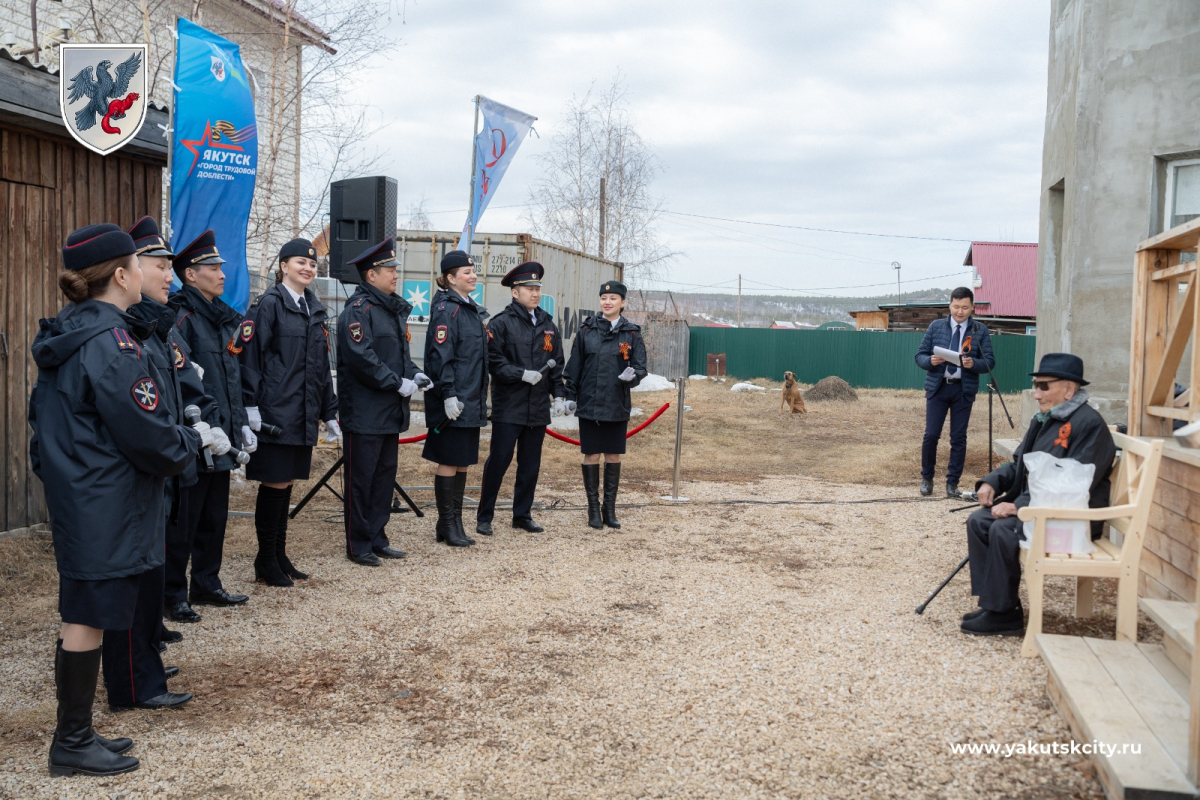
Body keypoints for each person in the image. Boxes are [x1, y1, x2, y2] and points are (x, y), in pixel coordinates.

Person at [30, 224, 205, 776]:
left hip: (85, 493)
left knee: (88, 615)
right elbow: (148, 434)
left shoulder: (74, 333)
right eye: (139, 263)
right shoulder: (111, 344)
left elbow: (44, 431)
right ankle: (72, 741)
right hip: (104, 499)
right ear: (122, 275)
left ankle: (77, 733)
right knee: (87, 618)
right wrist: (192, 441)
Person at [100, 217, 220, 713]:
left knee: (151, 577)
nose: (168, 274)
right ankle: (136, 680)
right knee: (136, 582)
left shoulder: (153, 325)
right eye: (158, 265)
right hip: (142, 470)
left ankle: (145, 661)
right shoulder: (129, 330)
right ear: (127, 272)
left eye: (171, 265)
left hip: (164, 467)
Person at [961, 353, 1116, 636]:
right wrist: (992, 482)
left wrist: (1018, 506)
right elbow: (1019, 463)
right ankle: (998, 606)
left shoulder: (1088, 424)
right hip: (1042, 508)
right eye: (1036, 386)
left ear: (1068, 389)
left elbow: (1070, 486)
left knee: (1004, 529)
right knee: (979, 521)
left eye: (1043, 386)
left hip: (1073, 518)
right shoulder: (1046, 418)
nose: (1036, 394)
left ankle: (1002, 614)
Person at [239, 238, 339, 584]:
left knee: (286, 483)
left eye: (312, 264)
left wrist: (329, 411)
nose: (308, 268)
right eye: (300, 263)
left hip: (302, 410)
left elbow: (320, 367)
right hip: (275, 412)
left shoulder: (314, 307)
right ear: (283, 266)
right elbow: (250, 357)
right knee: (275, 483)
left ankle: (278, 555)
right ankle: (265, 559)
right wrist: (249, 405)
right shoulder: (269, 304)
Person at [166, 230, 252, 624]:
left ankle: (206, 582)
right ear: (190, 275)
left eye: (221, 267)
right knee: (185, 519)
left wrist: (240, 425)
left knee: (214, 517)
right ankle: (173, 594)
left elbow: (228, 376)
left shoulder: (220, 317)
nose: (221, 274)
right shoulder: (180, 317)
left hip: (223, 436)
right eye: (213, 268)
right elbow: (182, 380)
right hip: (196, 435)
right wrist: (203, 428)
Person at [336, 237, 429, 567]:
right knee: (361, 482)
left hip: (388, 411)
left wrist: (415, 375)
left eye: (394, 269)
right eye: (389, 269)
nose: (395, 275)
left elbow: (399, 357)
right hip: (364, 412)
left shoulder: (391, 310)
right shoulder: (357, 312)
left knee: (383, 479)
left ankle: (377, 536)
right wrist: (398, 383)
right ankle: (358, 544)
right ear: (370, 275)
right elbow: (363, 359)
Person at [475, 261, 565, 536]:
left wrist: (559, 395)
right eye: (529, 288)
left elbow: (556, 364)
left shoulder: (548, 325)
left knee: (530, 465)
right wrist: (520, 374)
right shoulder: (501, 324)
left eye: (537, 288)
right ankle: (484, 516)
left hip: (537, 408)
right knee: (499, 462)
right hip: (509, 406)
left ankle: (522, 514)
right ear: (515, 292)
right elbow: (493, 361)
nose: (535, 293)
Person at [564, 281, 647, 529]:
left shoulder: (631, 334)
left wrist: (632, 377)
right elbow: (574, 367)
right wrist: (570, 395)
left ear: (622, 303)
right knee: (591, 454)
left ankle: (609, 510)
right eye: (604, 298)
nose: (607, 302)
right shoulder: (586, 331)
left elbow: (641, 367)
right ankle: (592, 510)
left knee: (612, 454)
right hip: (589, 402)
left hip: (616, 403)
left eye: (613, 298)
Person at [423, 249, 490, 547]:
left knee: (463, 461)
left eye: (472, 270)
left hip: (470, 398)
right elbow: (440, 356)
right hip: (453, 400)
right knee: (449, 460)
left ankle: (455, 523)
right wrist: (448, 393)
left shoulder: (469, 307)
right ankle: (446, 523)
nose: (472, 274)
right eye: (466, 272)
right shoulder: (445, 309)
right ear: (450, 278)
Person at [914, 287, 995, 498]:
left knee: (958, 438)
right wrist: (930, 361)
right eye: (956, 307)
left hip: (963, 390)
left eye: (965, 307)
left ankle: (952, 484)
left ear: (972, 307)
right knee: (931, 434)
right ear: (949, 305)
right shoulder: (936, 326)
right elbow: (920, 355)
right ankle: (927, 478)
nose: (960, 311)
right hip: (938, 387)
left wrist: (973, 363)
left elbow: (989, 362)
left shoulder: (979, 330)